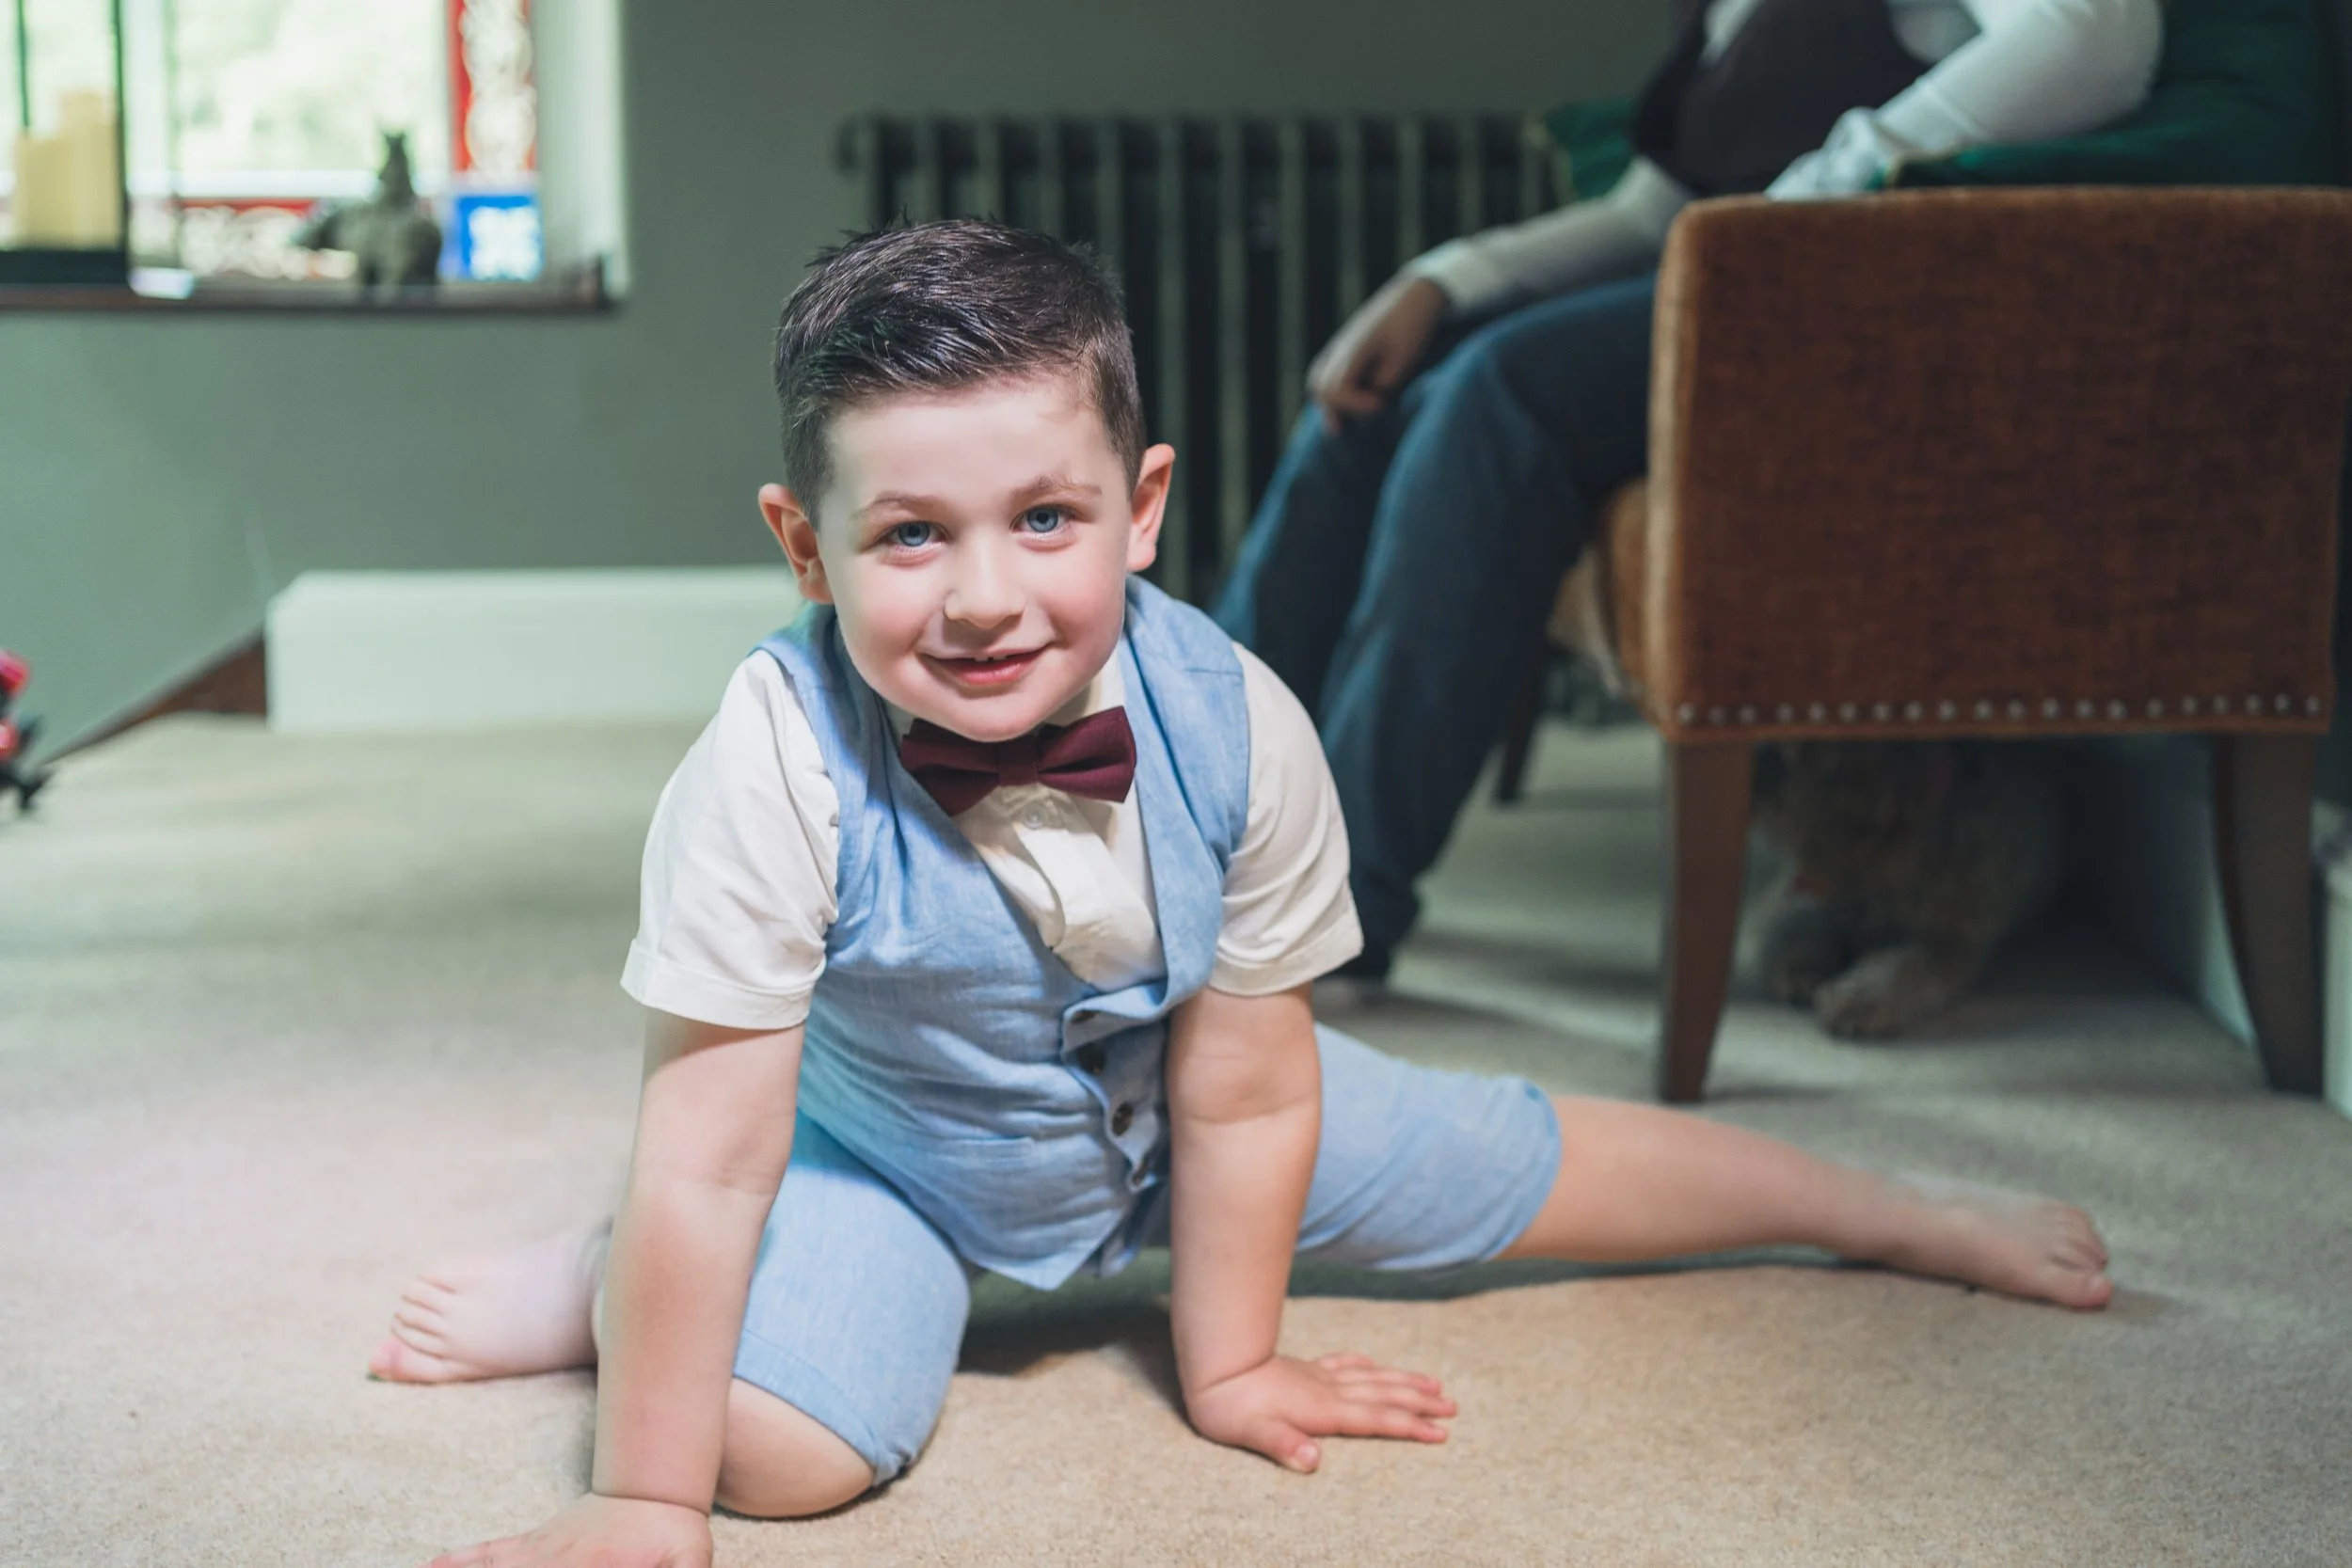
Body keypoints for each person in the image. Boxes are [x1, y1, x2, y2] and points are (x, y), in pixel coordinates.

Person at [370, 220, 2112, 1568]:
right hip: (895, 1150)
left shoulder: (1242, 721)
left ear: (1141, 511)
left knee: (1522, 1153)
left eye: (1044, 518)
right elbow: (714, 1144)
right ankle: (614, 1284)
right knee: (774, 1460)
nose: (982, 596)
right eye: (909, 537)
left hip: (1187, 1117)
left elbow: (1255, 1080)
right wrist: (644, 1502)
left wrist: (1232, 1363)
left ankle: (1889, 1208)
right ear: (804, 547)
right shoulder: (768, 752)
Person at [1213, 0, 2167, 981]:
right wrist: (1442, 279)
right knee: (1374, 394)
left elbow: (2099, 36)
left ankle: (1334, 905)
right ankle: (1195, 823)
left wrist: (1838, 172)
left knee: (1496, 394)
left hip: (1844, 317)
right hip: (1710, 282)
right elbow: (1649, 214)